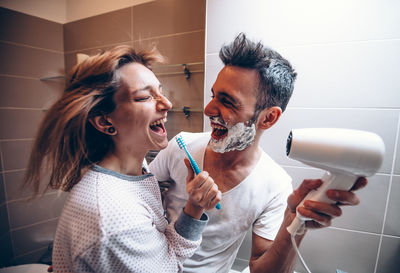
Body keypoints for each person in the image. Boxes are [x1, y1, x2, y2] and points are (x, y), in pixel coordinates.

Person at [149, 33, 367, 273]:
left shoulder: (275, 185)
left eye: (228, 101)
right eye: (213, 96)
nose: (208, 109)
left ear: (269, 117)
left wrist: (296, 222)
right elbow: (139, 194)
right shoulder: (181, 146)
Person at [23, 45, 222, 272]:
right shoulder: (115, 219)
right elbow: (169, 267)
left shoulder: (131, 168)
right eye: (144, 96)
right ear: (105, 122)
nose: (167, 104)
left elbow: (164, 256)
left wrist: (194, 207)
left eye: (160, 90)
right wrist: (193, 212)